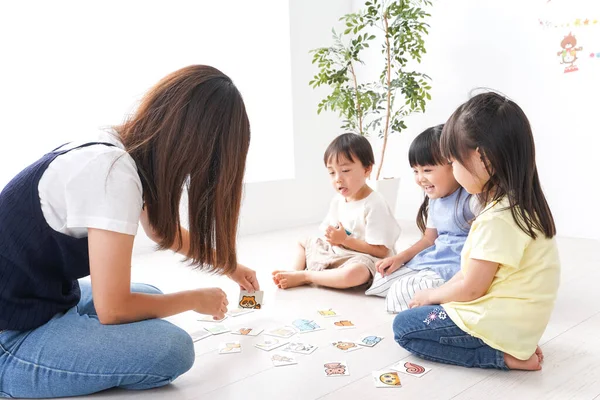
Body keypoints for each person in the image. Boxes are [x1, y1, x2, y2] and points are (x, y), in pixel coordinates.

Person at [0, 65, 260, 397]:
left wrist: (230, 266)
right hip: (13, 330)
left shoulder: (119, 148)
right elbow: (115, 310)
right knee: (173, 349)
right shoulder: (113, 174)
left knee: (149, 293)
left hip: (38, 295)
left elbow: (161, 232)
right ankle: (15, 370)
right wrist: (196, 299)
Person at [393, 92, 560, 371]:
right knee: (427, 305)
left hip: (497, 320)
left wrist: (433, 296)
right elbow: (471, 273)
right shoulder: (519, 206)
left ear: (483, 158)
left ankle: (502, 355)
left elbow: (471, 288)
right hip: (519, 322)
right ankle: (511, 342)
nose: (454, 171)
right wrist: (437, 292)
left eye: (455, 162)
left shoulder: (497, 218)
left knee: (405, 326)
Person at [366, 125, 478, 313]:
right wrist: (399, 258)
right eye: (415, 171)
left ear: (454, 165)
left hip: (455, 268)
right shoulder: (433, 200)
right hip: (433, 261)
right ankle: (428, 293)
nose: (420, 179)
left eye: (427, 170)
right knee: (380, 281)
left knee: (400, 292)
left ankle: (440, 295)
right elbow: (428, 239)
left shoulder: (471, 198)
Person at [272, 133, 400, 290]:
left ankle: (307, 276)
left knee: (355, 273)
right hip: (339, 252)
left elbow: (381, 251)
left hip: (364, 258)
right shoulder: (338, 200)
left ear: (367, 170)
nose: (338, 179)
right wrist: (333, 237)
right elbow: (331, 232)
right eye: (332, 172)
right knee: (303, 242)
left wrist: (344, 240)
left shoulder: (374, 203)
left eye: (345, 170)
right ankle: (294, 273)